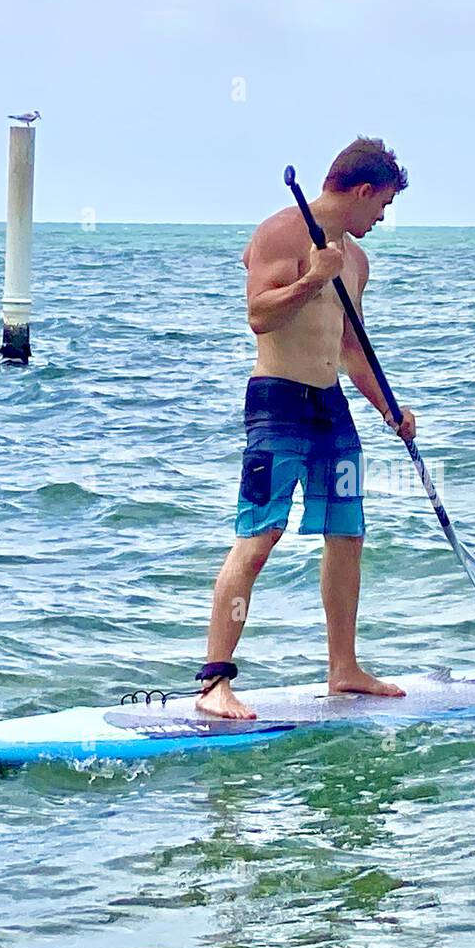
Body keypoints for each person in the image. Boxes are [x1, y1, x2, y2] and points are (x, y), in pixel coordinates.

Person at [196, 138, 415, 719]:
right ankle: (215, 682)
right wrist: (314, 278)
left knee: (347, 532)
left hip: (330, 405)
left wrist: (389, 409)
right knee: (260, 534)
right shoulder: (280, 233)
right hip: (278, 402)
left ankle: (344, 668)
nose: (382, 217)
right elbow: (259, 315)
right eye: (383, 204)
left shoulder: (356, 261)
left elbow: (351, 348)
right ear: (362, 191)